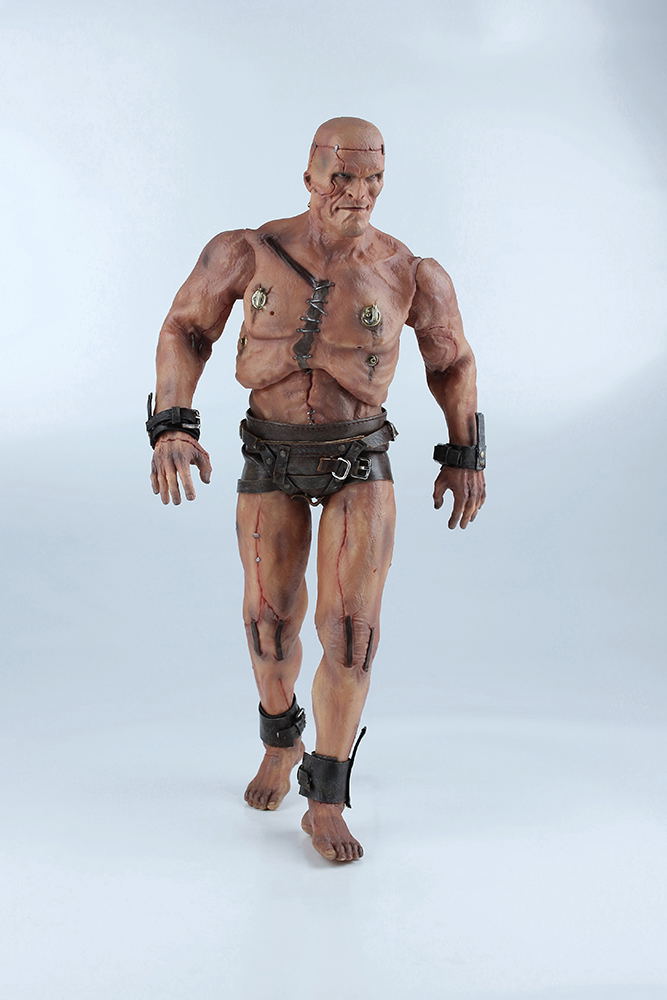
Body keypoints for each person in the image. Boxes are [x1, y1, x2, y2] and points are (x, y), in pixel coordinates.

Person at [147, 117, 486, 863]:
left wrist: (465, 451)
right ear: (309, 177)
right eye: (341, 177)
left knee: (350, 632)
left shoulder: (410, 273)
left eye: (372, 179)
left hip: (357, 458)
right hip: (269, 451)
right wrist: (172, 422)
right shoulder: (246, 251)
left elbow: (451, 361)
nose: (357, 193)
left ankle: (325, 797)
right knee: (268, 625)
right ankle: (281, 740)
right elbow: (185, 328)